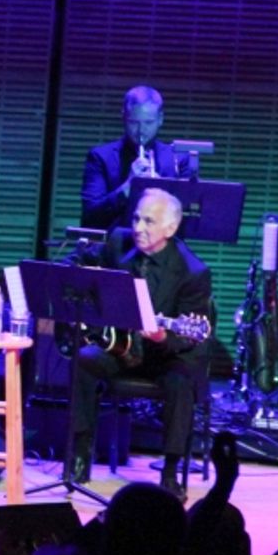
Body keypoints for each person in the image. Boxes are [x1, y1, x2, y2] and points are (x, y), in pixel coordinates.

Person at [70, 187, 213, 497]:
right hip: (121, 347)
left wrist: (163, 336)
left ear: (171, 228)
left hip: (166, 355)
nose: (138, 228)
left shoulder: (193, 272)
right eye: (136, 218)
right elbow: (92, 280)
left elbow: (191, 336)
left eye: (149, 221)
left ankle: (171, 471)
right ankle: (80, 453)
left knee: (181, 382)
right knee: (83, 360)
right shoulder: (118, 244)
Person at [80, 85, 187, 230]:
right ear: (123, 117)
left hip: (163, 250)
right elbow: (90, 217)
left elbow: (187, 220)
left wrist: (162, 191)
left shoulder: (179, 159)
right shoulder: (100, 157)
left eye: (148, 122)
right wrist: (128, 186)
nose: (141, 130)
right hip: (113, 247)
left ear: (160, 119)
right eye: (133, 122)